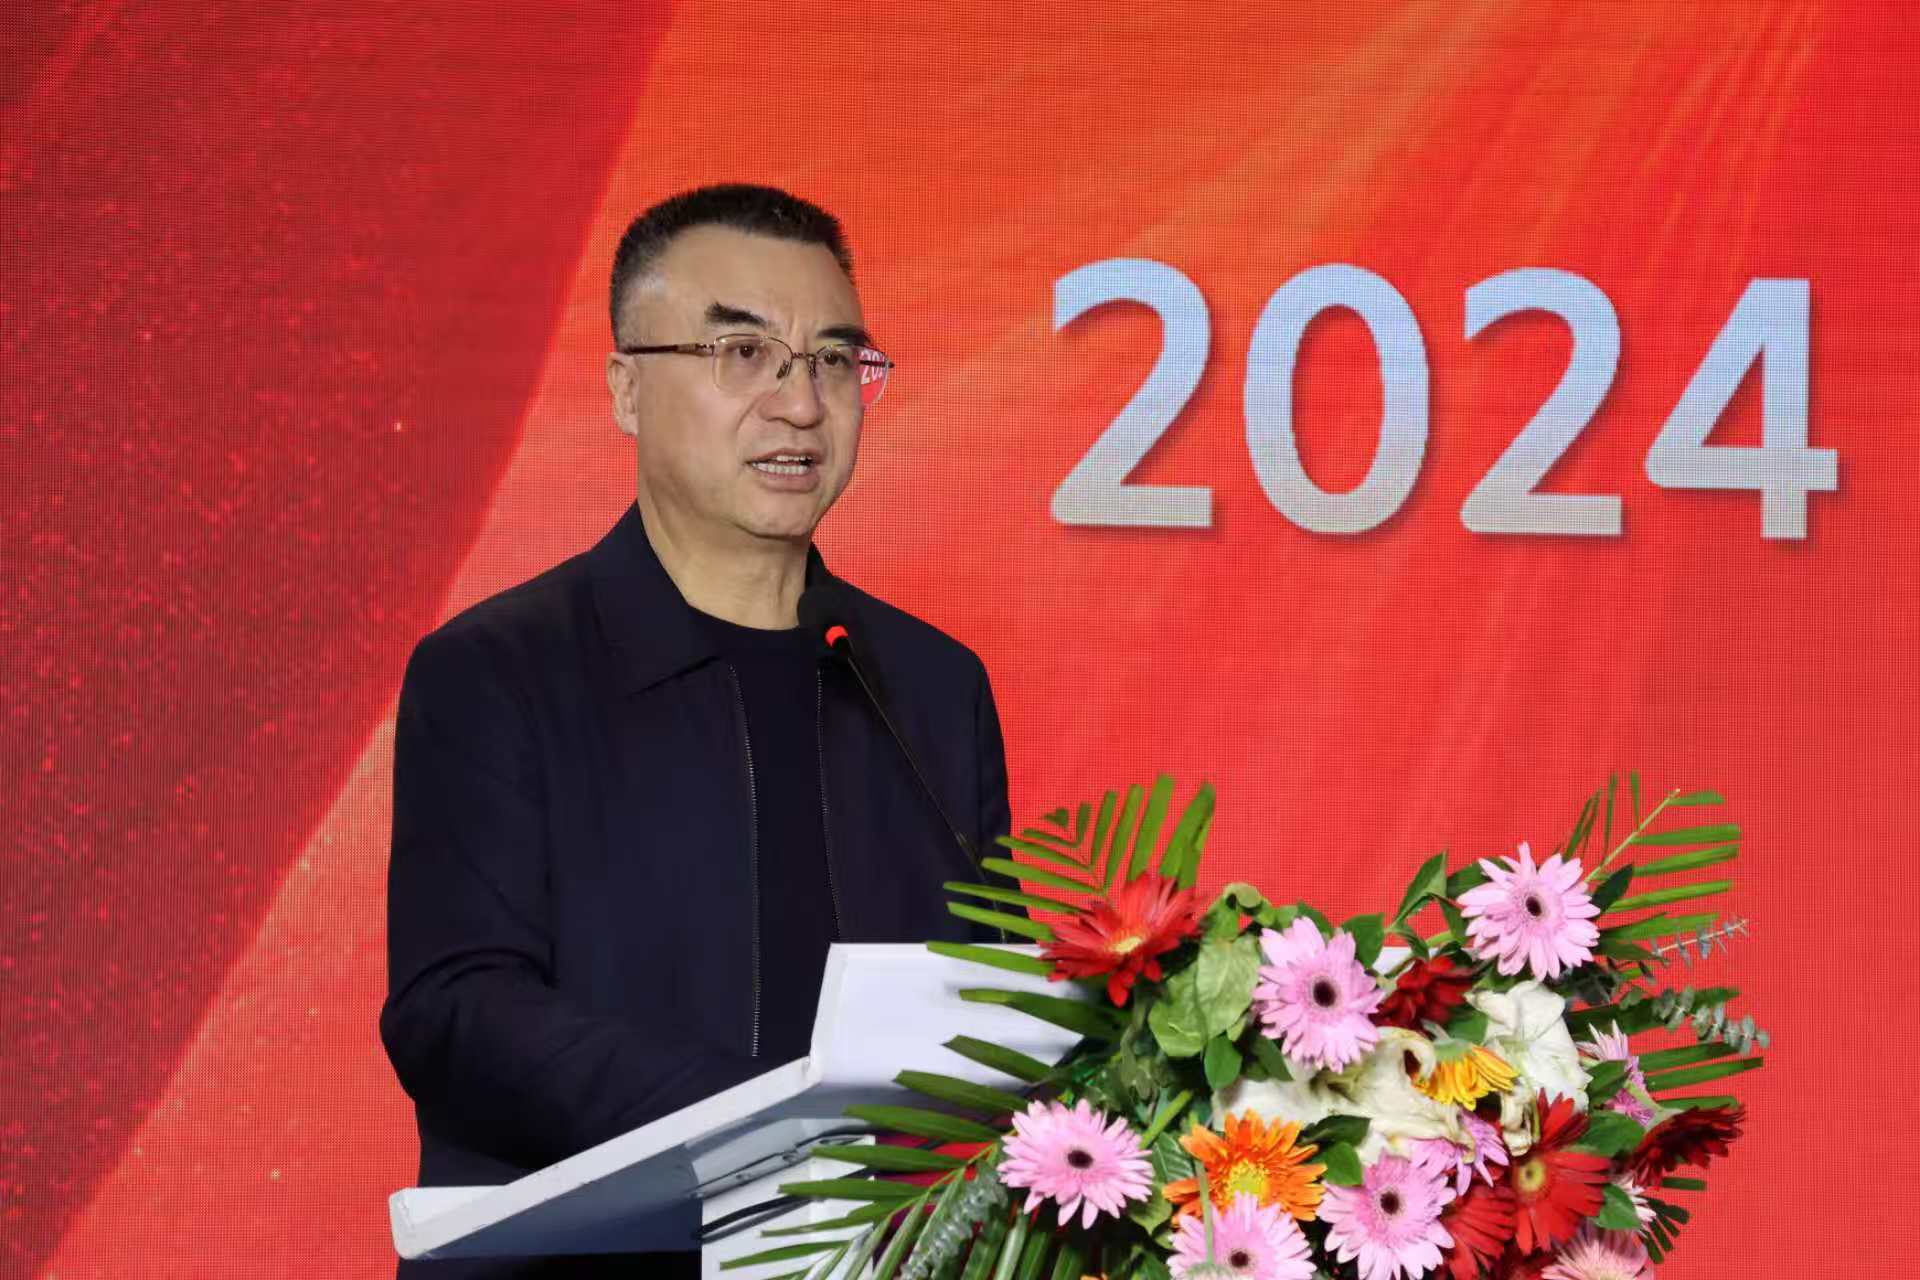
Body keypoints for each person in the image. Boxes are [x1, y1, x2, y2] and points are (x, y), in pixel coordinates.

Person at [380, 184, 1011, 1277]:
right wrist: (774, 1128)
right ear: (626, 388)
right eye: (743, 354)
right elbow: (458, 1014)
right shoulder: (497, 669)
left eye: (833, 360)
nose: (800, 404)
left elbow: (985, 1004)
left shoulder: (929, 685)